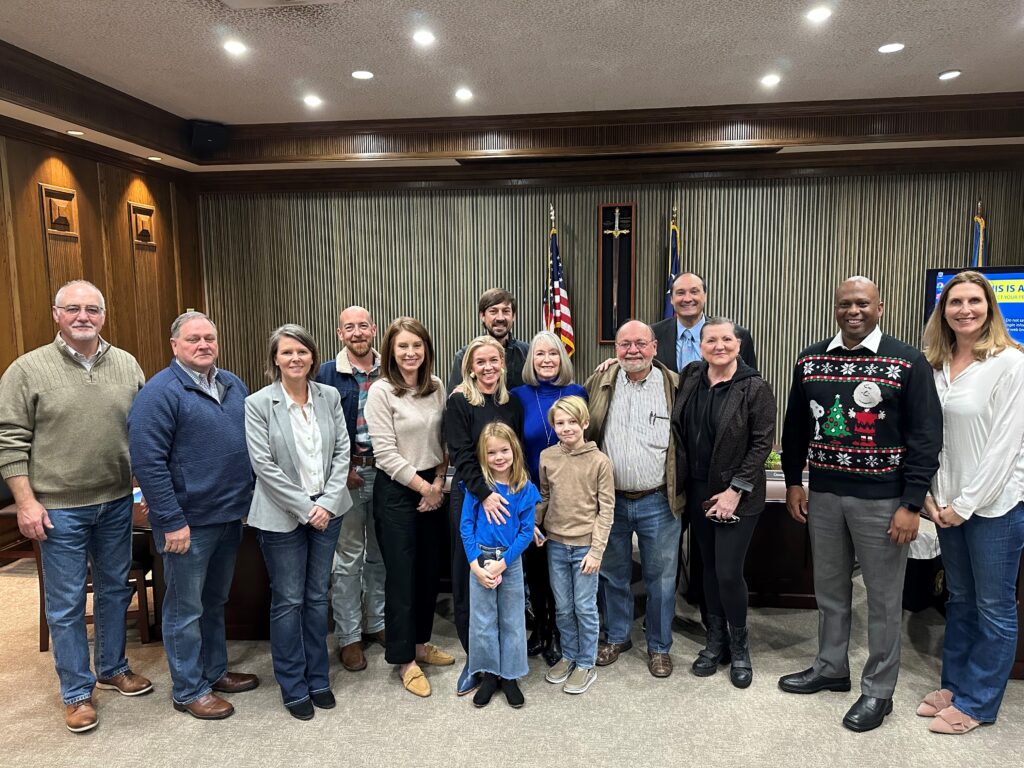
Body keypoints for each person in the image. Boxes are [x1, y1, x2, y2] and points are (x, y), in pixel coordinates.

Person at [779, 276, 942, 733]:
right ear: (835, 307)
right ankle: (831, 667)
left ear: (880, 307)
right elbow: (795, 427)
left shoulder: (908, 361)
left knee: (885, 599)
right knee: (830, 591)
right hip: (826, 495)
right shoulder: (811, 359)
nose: (854, 311)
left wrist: (912, 503)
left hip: (884, 500)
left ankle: (878, 690)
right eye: (846, 303)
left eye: (863, 303)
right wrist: (795, 482)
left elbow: (926, 438)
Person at [0, 279, 151, 733]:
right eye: (73, 309)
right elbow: (10, 441)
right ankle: (76, 692)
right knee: (65, 603)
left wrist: (142, 487)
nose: (83, 316)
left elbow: (143, 430)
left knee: (113, 590)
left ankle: (112, 669)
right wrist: (25, 502)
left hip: (116, 500)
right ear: (56, 314)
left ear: (104, 315)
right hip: (57, 507)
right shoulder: (26, 370)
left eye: (92, 309)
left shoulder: (126, 364)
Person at [128, 312, 258, 720]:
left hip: (228, 516)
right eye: (193, 339)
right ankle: (188, 689)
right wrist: (169, 519)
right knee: (184, 610)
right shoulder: (159, 392)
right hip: (188, 523)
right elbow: (148, 462)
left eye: (209, 338)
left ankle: (214, 671)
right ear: (175, 346)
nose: (203, 344)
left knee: (214, 601)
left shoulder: (232, 384)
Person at [917, 271, 1024, 735]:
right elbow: (928, 438)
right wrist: (932, 497)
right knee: (958, 599)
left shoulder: (1010, 363)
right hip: (944, 504)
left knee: (994, 607)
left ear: (989, 308)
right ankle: (955, 685)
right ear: (943, 311)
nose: (964, 309)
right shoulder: (934, 365)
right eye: (954, 302)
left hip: (993, 507)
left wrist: (965, 503)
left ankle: (979, 702)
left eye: (973, 301)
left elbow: (1005, 446)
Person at [244, 325, 352, 720]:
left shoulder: (330, 396)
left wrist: (325, 502)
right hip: (281, 517)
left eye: (302, 352)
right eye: (287, 352)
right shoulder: (258, 403)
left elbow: (343, 451)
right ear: (275, 359)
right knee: (289, 601)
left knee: (317, 597)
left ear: (312, 356)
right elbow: (264, 466)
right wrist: (306, 508)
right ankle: (293, 684)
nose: (295, 358)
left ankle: (318, 678)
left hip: (329, 511)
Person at [670, 317, 775, 688]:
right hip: (698, 491)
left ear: (738, 344)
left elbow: (762, 443)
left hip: (736, 496)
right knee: (707, 569)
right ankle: (715, 644)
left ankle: (740, 646)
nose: (719, 346)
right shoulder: (692, 376)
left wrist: (735, 490)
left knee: (729, 571)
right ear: (700, 346)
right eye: (710, 340)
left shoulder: (754, 387)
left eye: (726, 339)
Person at [584, 320, 682, 678]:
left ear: (654, 346)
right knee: (613, 574)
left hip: (659, 500)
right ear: (615, 350)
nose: (632, 351)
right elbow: (574, 419)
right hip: (610, 502)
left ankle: (659, 646)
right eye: (624, 345)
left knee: (661, 579)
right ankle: (618, 636)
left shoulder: (674, 384)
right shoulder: (601, 381)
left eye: (640, 343)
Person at [364, 317, 453, 698]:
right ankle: (405, 659)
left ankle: (420, 644)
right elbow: (384, 454)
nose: (410, 353)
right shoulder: (381, 392)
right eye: (402, 346)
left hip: (433, 484)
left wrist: (437, 484)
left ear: (426, 350)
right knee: (402, 577)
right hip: (399, 490)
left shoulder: (436, 387)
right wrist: (423, 488)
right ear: (391, 351)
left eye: (417, 346)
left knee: (429, 572)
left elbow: (444, 441)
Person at [446, 335, 524, 695]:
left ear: (503, 364)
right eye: (481, 362)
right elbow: (461, 455)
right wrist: (485, 494)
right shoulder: (460, 402)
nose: (489, 367)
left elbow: (516, 457)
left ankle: (507, 663)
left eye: (494, 360)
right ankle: (474, 660)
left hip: (508, 501)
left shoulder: (512, 403)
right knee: (471, 581)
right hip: (472, 498)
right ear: (470, 368)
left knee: (505, 583)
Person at [510, 331, 587, 666]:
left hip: (569, 496)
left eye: (553, 354)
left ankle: (559, 629)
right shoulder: (516, 396)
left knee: (563, 567)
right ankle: (539, 627)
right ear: (531, 360)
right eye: (539, 354)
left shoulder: (576, 392)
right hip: (530, 496)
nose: (546, 360)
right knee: (536, 565)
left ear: (562, 358)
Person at [317, 306, 386, 672]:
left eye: (363, 325)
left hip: (387, 475)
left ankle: (376, 623)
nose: (357, 332)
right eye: (349, 327)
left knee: (379, 556)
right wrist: (340, 469)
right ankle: (349, 636)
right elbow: (318, 428)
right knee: (346, 561)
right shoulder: (326, 373)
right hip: (347, 477)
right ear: (340, 333)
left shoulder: (390, 369)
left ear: (373, 329)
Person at [535, 396, 614, 695]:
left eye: (572, 422)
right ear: (553, 426)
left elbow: (606, 510)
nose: (566, 428)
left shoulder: (600, 462)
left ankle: (586, 662)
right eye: (560, 423)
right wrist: (534, 523)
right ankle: (569, 654)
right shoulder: (547, 457)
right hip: (556, 543)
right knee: (564, 607)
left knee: (584, 607)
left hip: (585, 548)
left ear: (584, 423)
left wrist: (596, 551)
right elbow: (544, 497)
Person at [460, 422, 539, 708]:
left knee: (512, 619)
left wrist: (503, 563)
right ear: (483, 455)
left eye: (504, 450)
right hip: (480, 559)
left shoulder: (524, 489)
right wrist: (475, 565)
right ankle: (489, 674)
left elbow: (526, 533)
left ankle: (510, 676)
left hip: (510, 561)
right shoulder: (478, 488)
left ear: (514, 451)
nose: (499, 457)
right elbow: (466, 526)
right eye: (491, 452)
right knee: (482, 621)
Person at [652, 272, 757, 372]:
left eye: (694, 292)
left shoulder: (738, 335)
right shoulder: (653, 334)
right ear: (671, 299)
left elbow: (751, 382)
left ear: (705, 296)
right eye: (680, 293)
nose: (687, 299)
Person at [447, 288, 530, 393]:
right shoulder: (464, 356)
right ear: (482, 316)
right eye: (493, 311)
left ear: (513, 316)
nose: (500, 318)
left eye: (506, 311)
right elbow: (454, 401)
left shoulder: (527, 353)